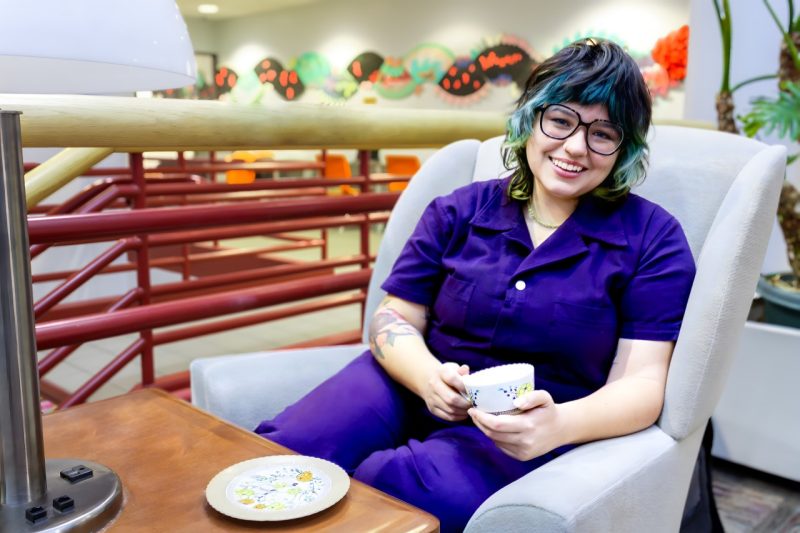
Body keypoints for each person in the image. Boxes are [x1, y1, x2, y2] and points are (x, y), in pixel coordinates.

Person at [255, 38, 696, 532]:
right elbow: (393, 315)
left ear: (624, 147)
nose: (575, 146)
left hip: (525, 425)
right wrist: (425, 377)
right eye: (561, 120)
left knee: (397, 491)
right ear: (531, 118)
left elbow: (641, 383)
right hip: (406, 383)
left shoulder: (653, 239)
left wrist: (558, 427)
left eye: (603, 132)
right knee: (286, 454)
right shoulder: (458, 209)